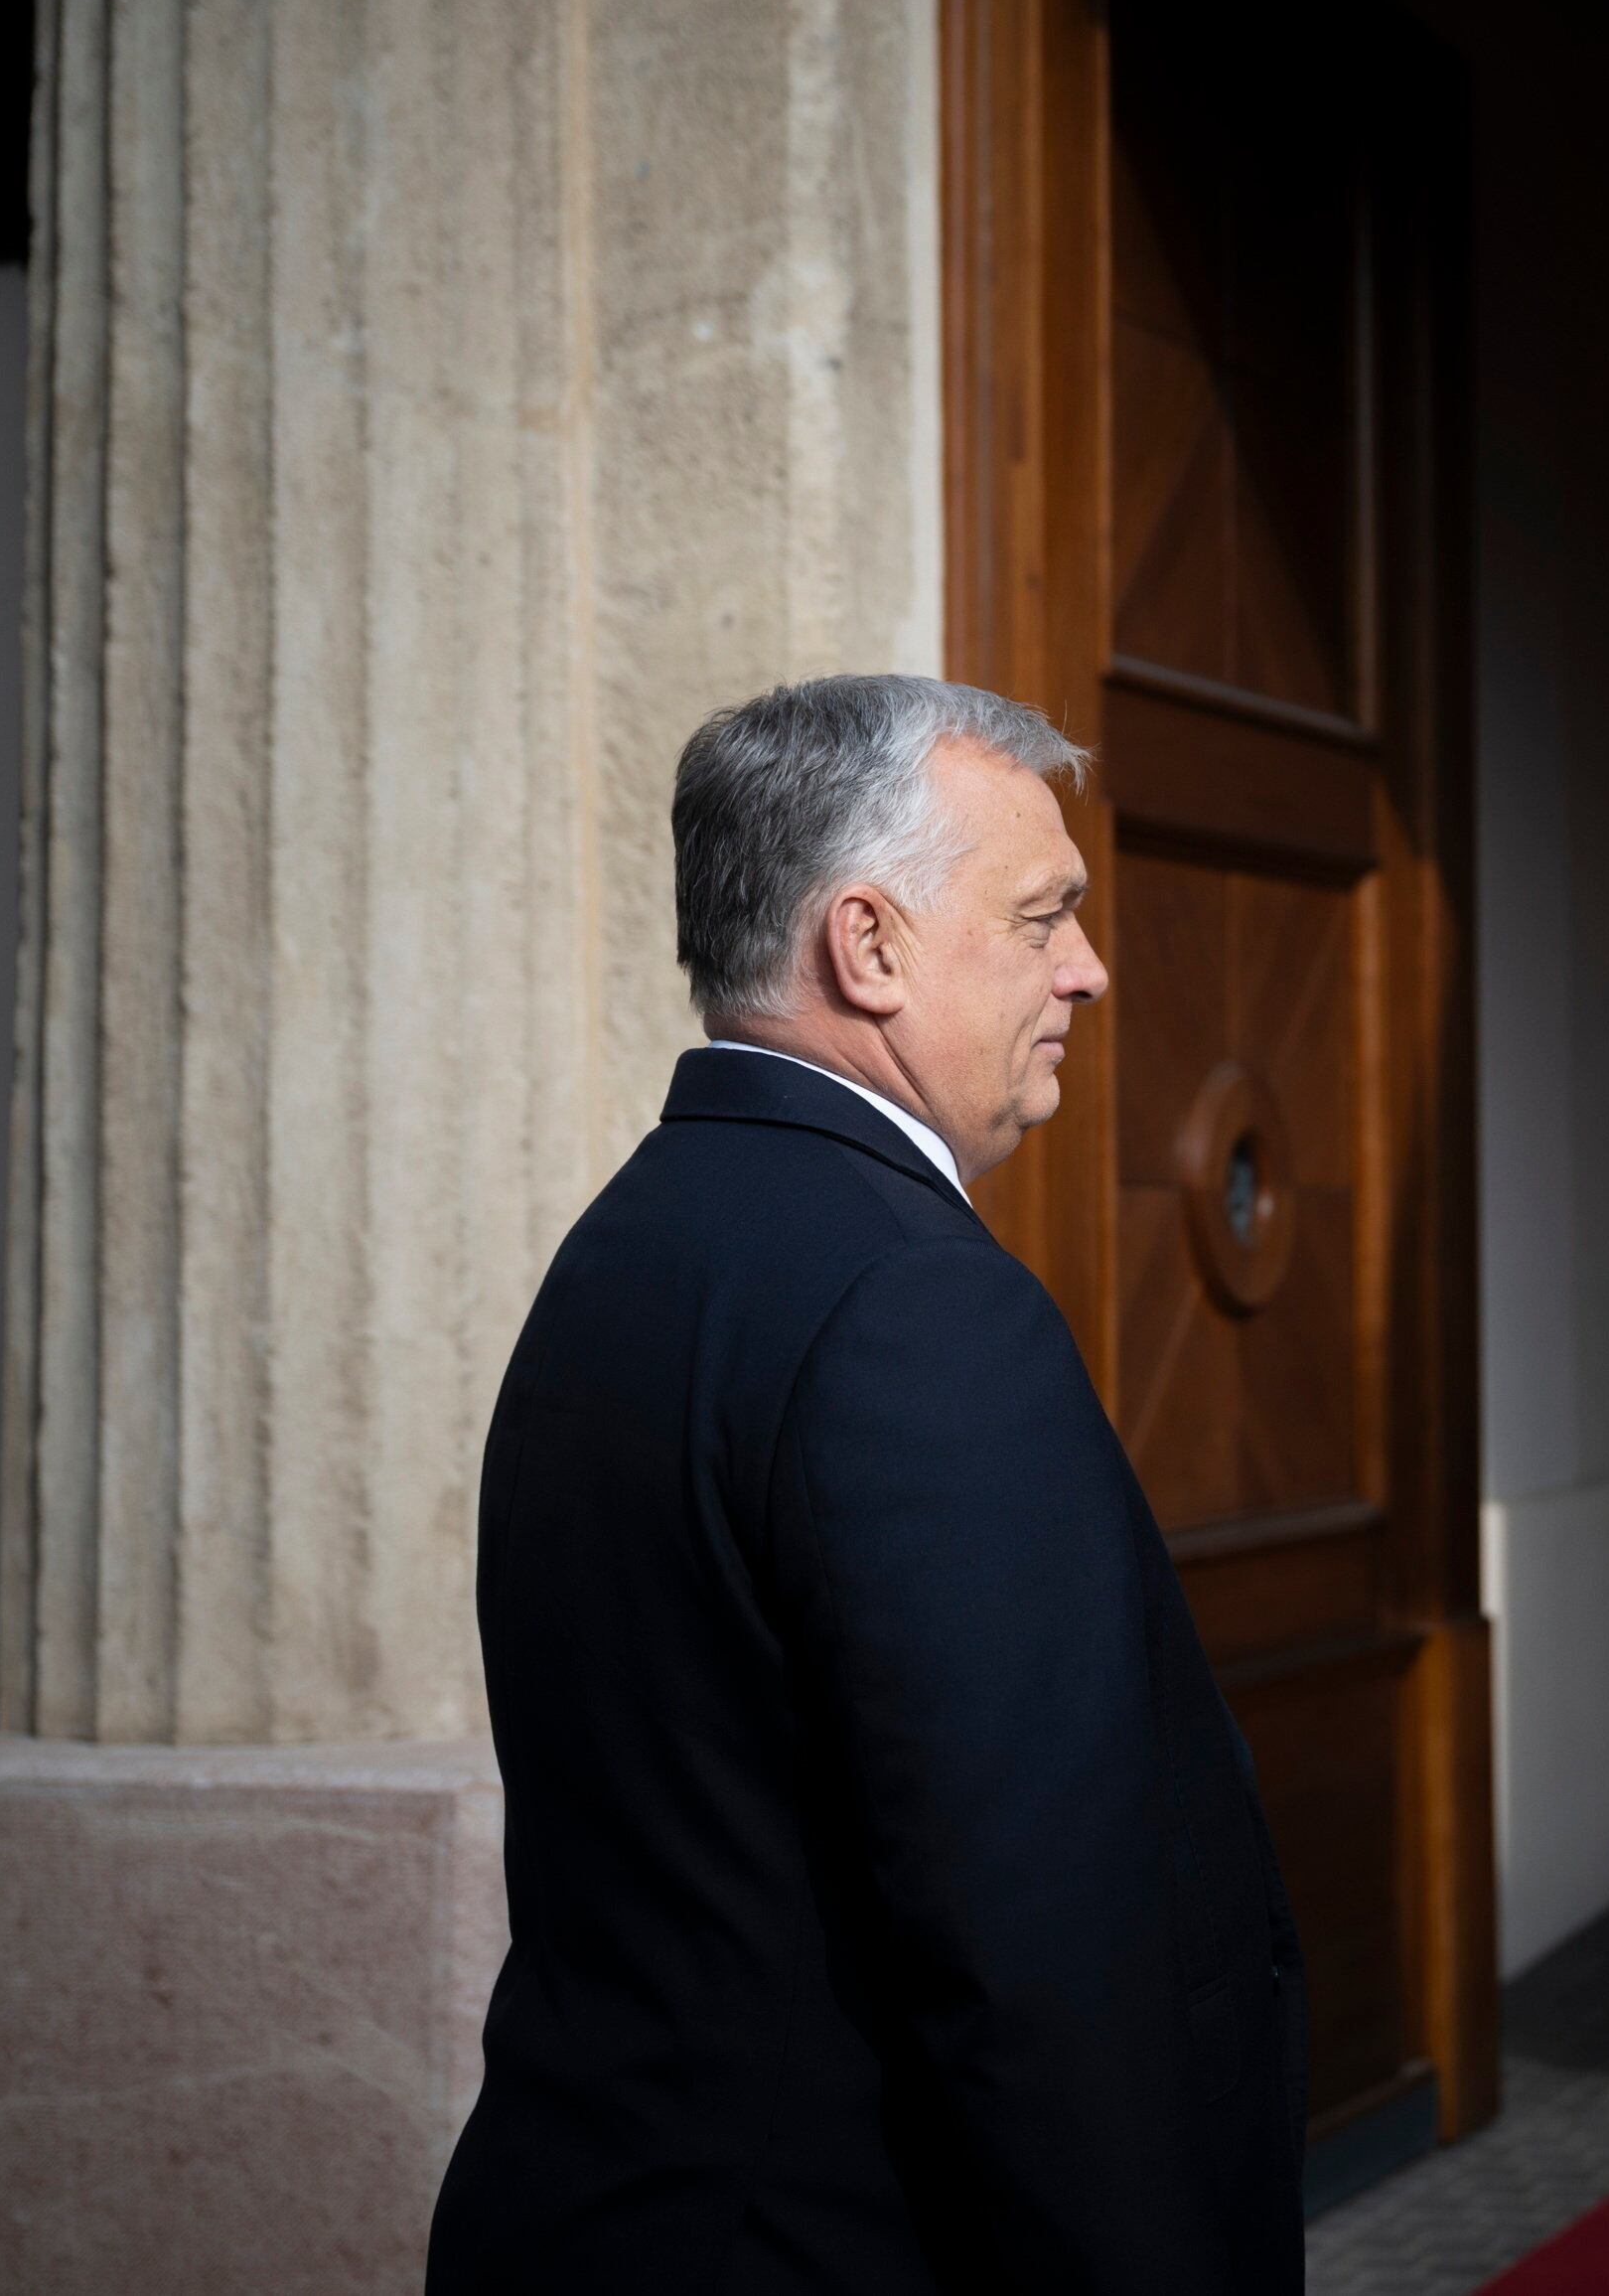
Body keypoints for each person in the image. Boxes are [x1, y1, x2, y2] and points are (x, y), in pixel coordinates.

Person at [428, 676, 1304, 2295]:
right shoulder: (914, 1300)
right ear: (870, 946)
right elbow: (1034, 1951)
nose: (1089, 969)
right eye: (1043, 915)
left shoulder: (626, 1243)